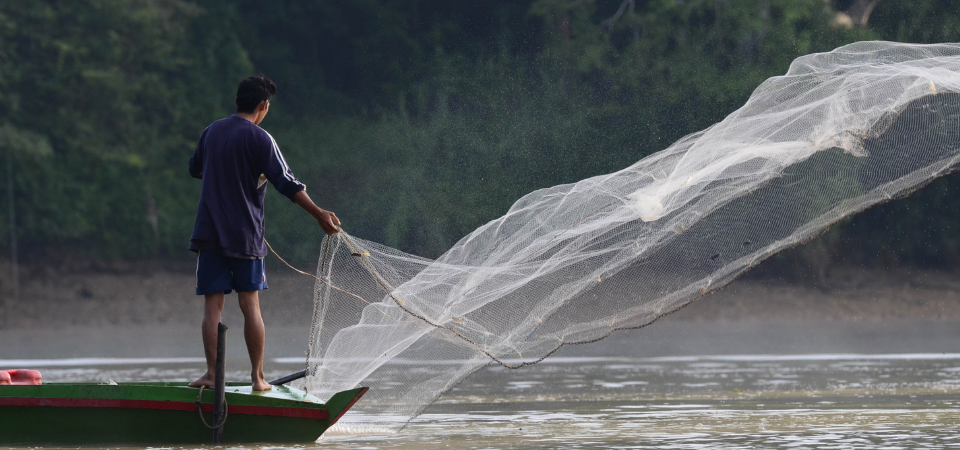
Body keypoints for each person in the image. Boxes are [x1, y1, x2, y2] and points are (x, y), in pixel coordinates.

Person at [187, 75, 340, 391]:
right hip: (245, 236)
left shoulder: (211, 132)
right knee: (250, 305)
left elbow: (195, 168)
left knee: (213, 307)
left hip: (209, 233)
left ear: (236, 102)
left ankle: (212, 376)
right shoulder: (261, 139)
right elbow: (287, 183)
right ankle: (258, 379)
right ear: (263, 105)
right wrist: (319, 214)